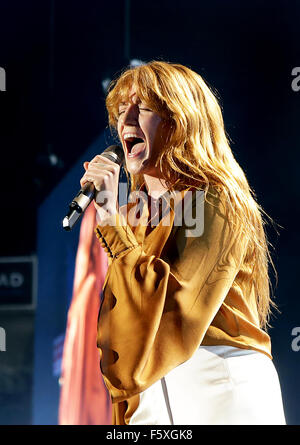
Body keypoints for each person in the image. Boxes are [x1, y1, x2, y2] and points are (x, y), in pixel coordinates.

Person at [80, 61, 286, 425]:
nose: (125, 122)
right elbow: (127, 325)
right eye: (121, 111)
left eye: (142, 108)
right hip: (151, 396)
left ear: (179, 122)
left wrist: (112, 220)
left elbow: (174, 308)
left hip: (218, 386)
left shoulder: (217, 201)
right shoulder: (135, 219)